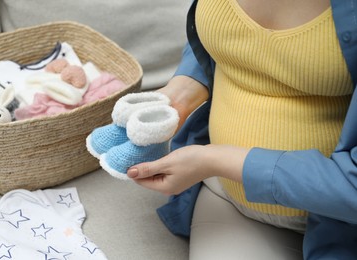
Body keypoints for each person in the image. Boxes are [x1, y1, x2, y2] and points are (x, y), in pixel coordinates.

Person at [126, 0, 357, 259]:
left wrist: (212, 159)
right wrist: (184, 89)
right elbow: (228, 31)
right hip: (228, 199)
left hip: (341, 225)